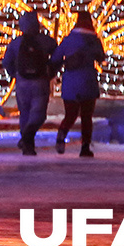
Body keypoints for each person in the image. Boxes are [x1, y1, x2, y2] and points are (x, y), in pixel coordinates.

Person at [1, 10, 56, 156]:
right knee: (39, 114)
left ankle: (27, 144)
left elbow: (6, 62)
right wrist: (51, 71)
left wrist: (15, 74)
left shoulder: (16, 43)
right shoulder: (45, 41)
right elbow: (56, 54)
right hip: (40, 81)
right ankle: (27, 138)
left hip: (22, 82)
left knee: (24, 113)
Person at [51, 10, 105, 157]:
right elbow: (101, 57)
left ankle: (61, 136)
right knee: (87, 117)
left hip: (70, 82)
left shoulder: (68, 39)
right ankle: (85, 147)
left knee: (70, 114)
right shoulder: (94, 40)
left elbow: (55, 58)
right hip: (88, 81)